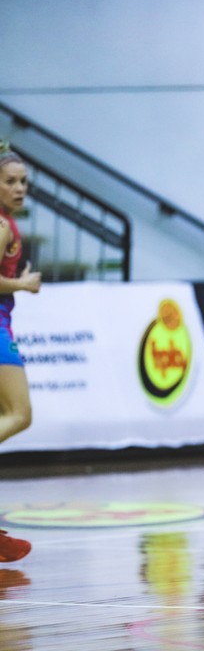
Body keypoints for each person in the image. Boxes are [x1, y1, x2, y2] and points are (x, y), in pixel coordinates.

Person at [0, 142, 40, 562]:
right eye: (10, 181)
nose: (19, 189)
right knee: (19, 414)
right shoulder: (2, 226)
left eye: (23, 182)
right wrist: (24, 285)